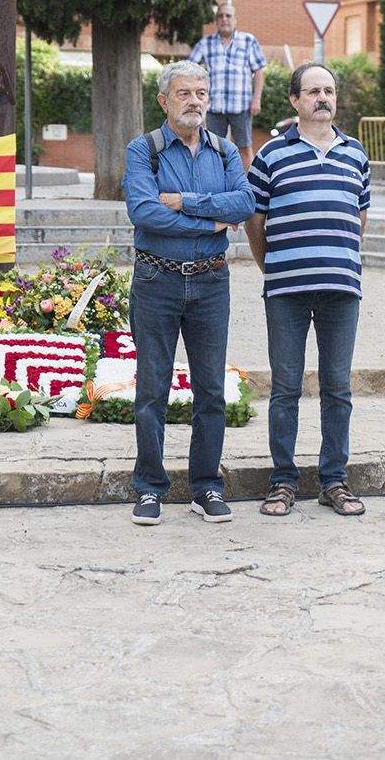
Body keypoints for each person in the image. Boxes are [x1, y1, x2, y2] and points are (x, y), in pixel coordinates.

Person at [121, 60, 254, 526]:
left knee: (211, 390)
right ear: (164, 101)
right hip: (156, 281)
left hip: (211, 281)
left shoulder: (224, 152)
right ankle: (150, 488)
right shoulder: (145, 151)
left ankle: (206, 487)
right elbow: (143, 212)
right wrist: (211, 220)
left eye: (201, 92)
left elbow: (245, 202)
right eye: (184, 93)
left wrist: (186, 202)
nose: (195, 101)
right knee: (152, 389)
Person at [245, 62, 371, 518]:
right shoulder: (270, 155)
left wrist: (343, 261)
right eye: (314, 91)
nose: (323, 98)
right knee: (285, 388)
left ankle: (334, 480)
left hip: (341, 290)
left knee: (338, 388)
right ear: (295, 100)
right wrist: (272, 268)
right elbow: (254, 222)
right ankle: (282, 482)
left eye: (330, 91)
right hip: (286, 290)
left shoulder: (356, 154)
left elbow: (360, 217)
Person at [189, 3, 266, 160]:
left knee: (244, 148)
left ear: (235, 20)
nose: (225, 19)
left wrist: (256, 99)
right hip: (213, 108)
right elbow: (190, 69)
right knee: (212, 149)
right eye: (221, 16)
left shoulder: (248, 41)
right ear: (216, 20)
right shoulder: (205, 43)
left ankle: (249, 185)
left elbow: (258, 71)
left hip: (242, 107)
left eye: (228, 15)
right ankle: (216, 184)